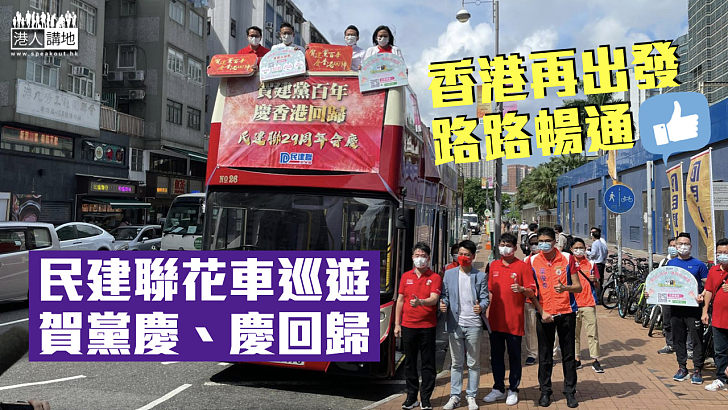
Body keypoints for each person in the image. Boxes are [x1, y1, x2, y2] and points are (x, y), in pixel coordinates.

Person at [480, 233, 535, 406]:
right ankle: (498, 388)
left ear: (515, 248)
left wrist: (521, 289)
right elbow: (488, 291)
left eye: (509, 245)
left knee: (514, 356)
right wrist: (484, 309)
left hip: (514, 322)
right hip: (495, 320)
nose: (505, 247)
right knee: (496, 356)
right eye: (502, 244)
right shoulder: (494, 266)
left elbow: (532, 291)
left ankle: (513, 389)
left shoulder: (522, 267)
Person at [530, 227, 582, 408]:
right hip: (544, 314)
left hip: (566, 312)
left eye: (547, 241)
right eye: (540, 241)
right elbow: (531, 292)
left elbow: (578, 287)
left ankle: (570, 392)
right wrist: (541, 311)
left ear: (554, 241)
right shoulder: (532, 261)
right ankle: (545, 392)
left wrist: (565, 288)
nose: (543, 244)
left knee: (568, 355)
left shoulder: (567, 259)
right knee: (545, 356)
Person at [440, 240, 489, 410]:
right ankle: (455, 396)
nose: (463, 257)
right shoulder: (449, 274)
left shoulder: (480, 276)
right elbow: (445, 295)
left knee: (473, 363)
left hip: (474, 324)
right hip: (455, 324)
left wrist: (481, 306)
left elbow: (485, 298)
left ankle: (471, 395)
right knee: (456, 363)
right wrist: (443, 303)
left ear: (473, 256)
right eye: (460, 254)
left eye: (467, 254)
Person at [394, 242, 442, 410]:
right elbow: (400, 300)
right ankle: (411, 397)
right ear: (412, 257)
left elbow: (434, 299)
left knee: (428, 363)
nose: (420, 258)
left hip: (427, 326)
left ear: (428, 258)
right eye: (417, 255)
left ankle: (426, 398)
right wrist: (397, 324)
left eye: (423, 256)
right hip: (408, 326)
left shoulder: (434, 277)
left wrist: (421, 302)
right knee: (410, 363)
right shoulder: (405, 276)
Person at [666, 232, 707, 384]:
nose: (683, 246)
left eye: (686, 244)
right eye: (680, 244)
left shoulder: (699, 265)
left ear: (691, 246)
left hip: (693, 308)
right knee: (679, 338)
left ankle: (697, 369)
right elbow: (665, 283)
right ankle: (682, 367)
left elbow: (707, 285)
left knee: (696, 339)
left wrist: (701, 295)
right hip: (676, 308)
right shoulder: (671, 264)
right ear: (675, 246)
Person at [570, 238, 604, 373]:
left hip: (588, 303)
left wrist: (595, 281)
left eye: (581, 247)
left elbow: (598, 285)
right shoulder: (567, 263)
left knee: (592, 334)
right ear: (571, 249)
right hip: (572, 304)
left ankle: (595, 360)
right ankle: (576, 359)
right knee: (574, 334)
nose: (579, 250)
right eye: (576, 248)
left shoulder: (591, 264)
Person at [702, 238, 728, 392]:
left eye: (726, 253)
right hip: (718, 319)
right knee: (719, 351)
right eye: (720, 253)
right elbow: (709, 291)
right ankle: (720, 379)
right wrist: (705, 311)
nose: (722, 255)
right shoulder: (713, 270)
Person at [657, 238, 679, 355]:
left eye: (675, 246)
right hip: (667, 296)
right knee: (667, 321)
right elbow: (658, 278)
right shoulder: (664, 262)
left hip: (680, 298)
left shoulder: (683, 262)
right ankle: (670, 344)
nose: (673, 248)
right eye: (671, 245)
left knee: (680, 322)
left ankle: (683, 346)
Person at [523, 232, 540, 365]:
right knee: (531, 328)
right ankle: (532, 353)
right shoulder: (525, 261)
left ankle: (551, 352)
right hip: (529, 300)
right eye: (532, 243)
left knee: (550, 328)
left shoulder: (547, 260)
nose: (534, 245)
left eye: (537, 243)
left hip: (546, 300)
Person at [587, 228, 608, 294]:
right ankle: (600, 294)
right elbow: (606, 252)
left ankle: (597, 295)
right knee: (600, 279)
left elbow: (593, 253)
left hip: (596, 263)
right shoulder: (602, 244)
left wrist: (587, 253)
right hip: (602, 263)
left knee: (595, 280)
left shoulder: (595, 244)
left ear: (593, 236)